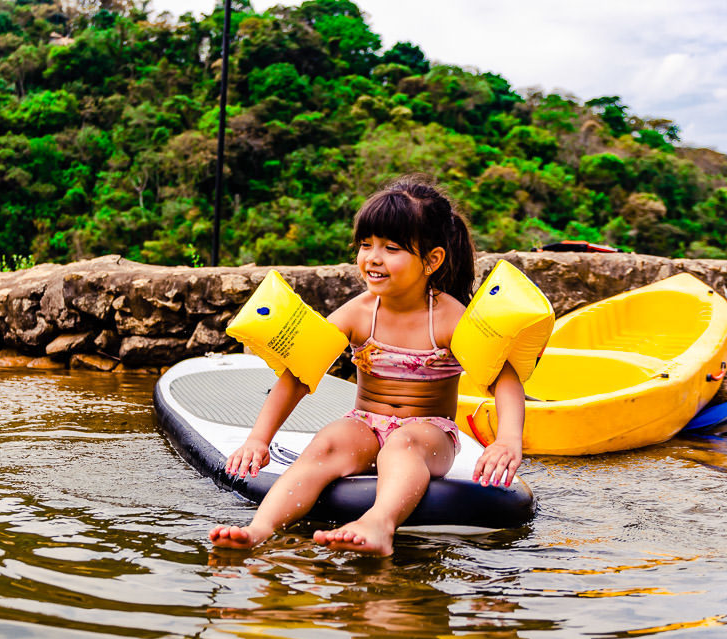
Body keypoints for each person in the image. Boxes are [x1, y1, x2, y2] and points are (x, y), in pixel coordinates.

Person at [209, 177, 525, 556]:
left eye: (391, 248)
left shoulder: (449, 319)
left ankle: (379, 525)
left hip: (429, 435)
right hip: (366, 423)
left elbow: (504, 379)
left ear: (432, 260)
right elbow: (298, 374)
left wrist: (507, 441)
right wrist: (258, 439)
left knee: (402, 444)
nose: (372, 257)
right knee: (328, 441)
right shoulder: (359, 312)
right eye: (365, 245)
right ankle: (260, 528)